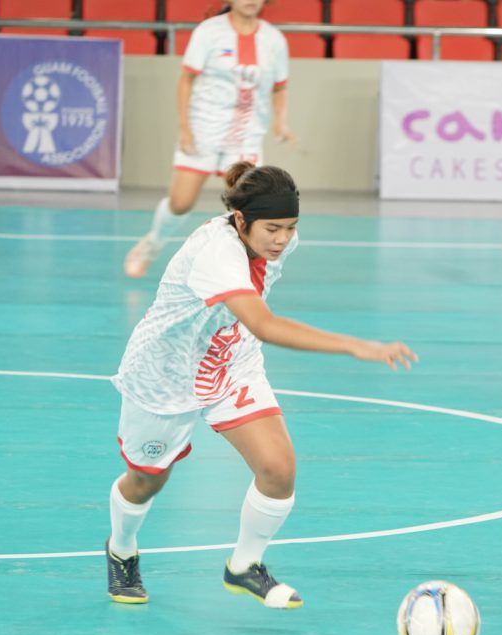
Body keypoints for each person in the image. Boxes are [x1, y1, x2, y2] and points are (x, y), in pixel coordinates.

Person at [107, 161, 417, 607]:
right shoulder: (217, 253)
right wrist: (354, 346)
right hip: (165, 375)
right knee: (146, 481)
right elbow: (264, 325)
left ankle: (244, 567)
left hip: (229, 360)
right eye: (273, 228)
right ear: (240, 220)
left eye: (290, 228)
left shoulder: (276, 242)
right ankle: (121, 549)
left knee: (278, 468)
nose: (282, 239)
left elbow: (251, 327)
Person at [124, 0, 296, 279]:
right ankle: (151, 244)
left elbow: (280, 87)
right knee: (181, 203)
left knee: (249, 206)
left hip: (245, 136)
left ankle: (243, 275)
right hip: (204, 129)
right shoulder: (208, 32)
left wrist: (280, 122)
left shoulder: (274, 40)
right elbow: (186, 80)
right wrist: (185, 128)